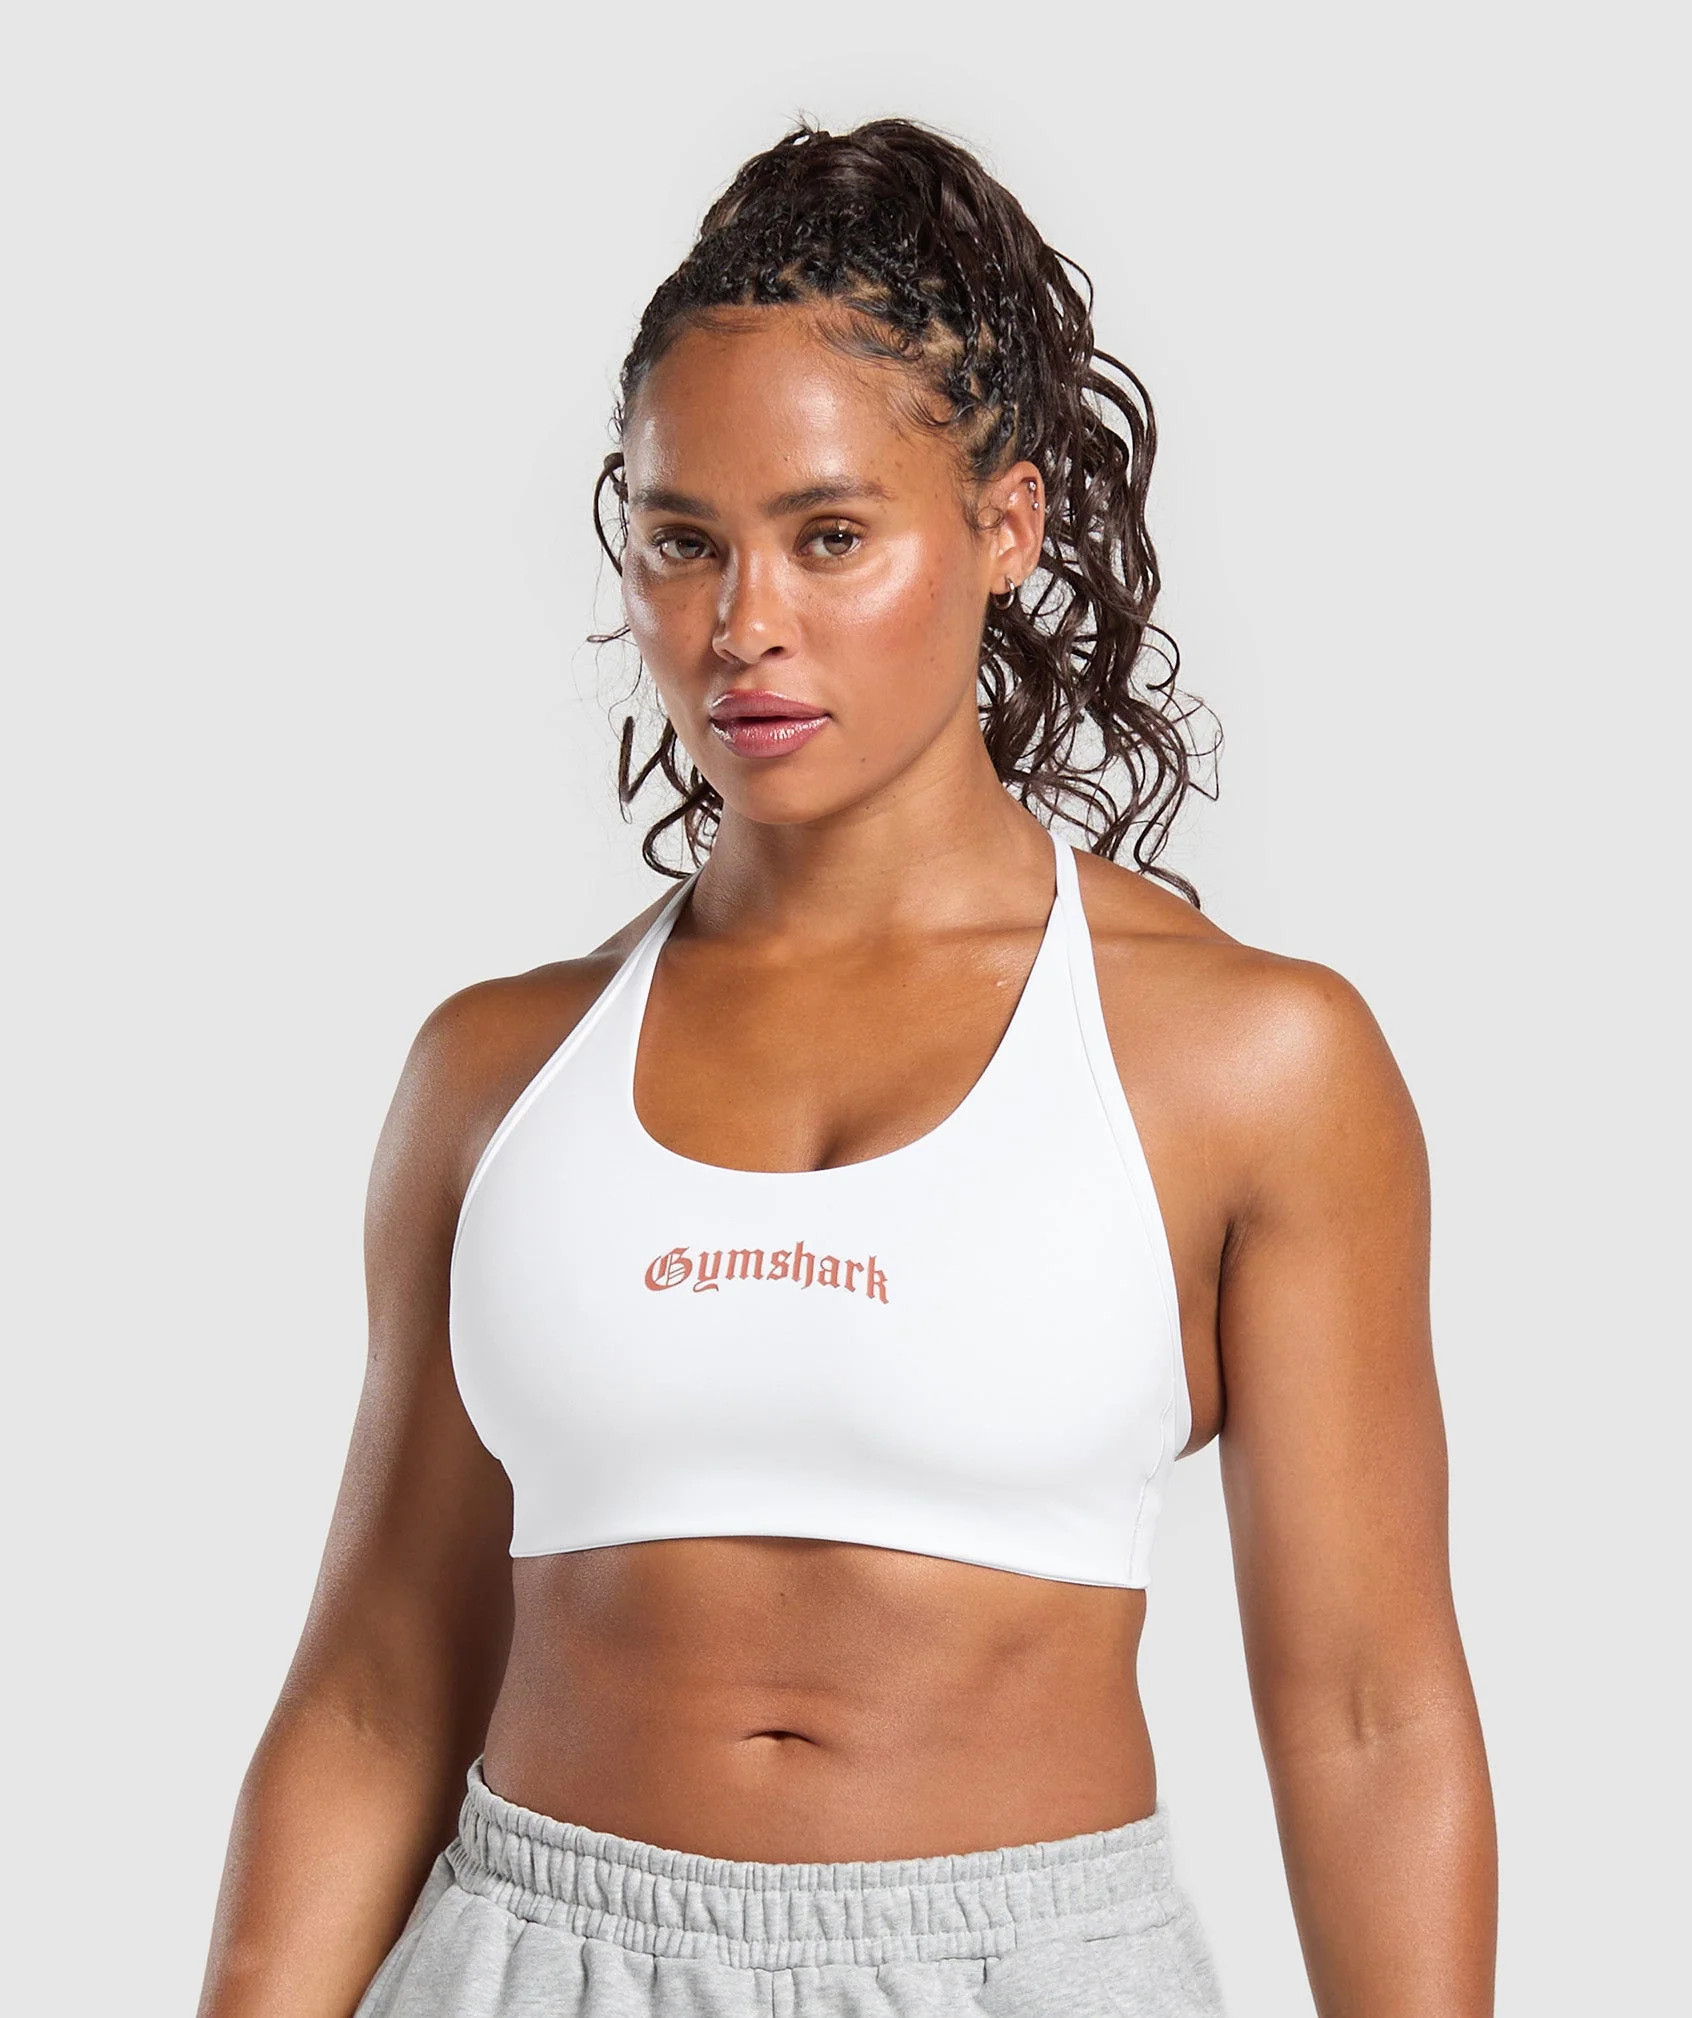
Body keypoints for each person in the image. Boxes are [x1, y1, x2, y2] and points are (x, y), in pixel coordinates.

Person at [197, 118, 1496, 2018]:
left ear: (1007, 528)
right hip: (526, 1962)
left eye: (829, 537)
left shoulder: (1250, 1061)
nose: (745, 627)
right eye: (684, 542)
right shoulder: (496, 1075)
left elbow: (1372, 1710)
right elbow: (379, 1690)